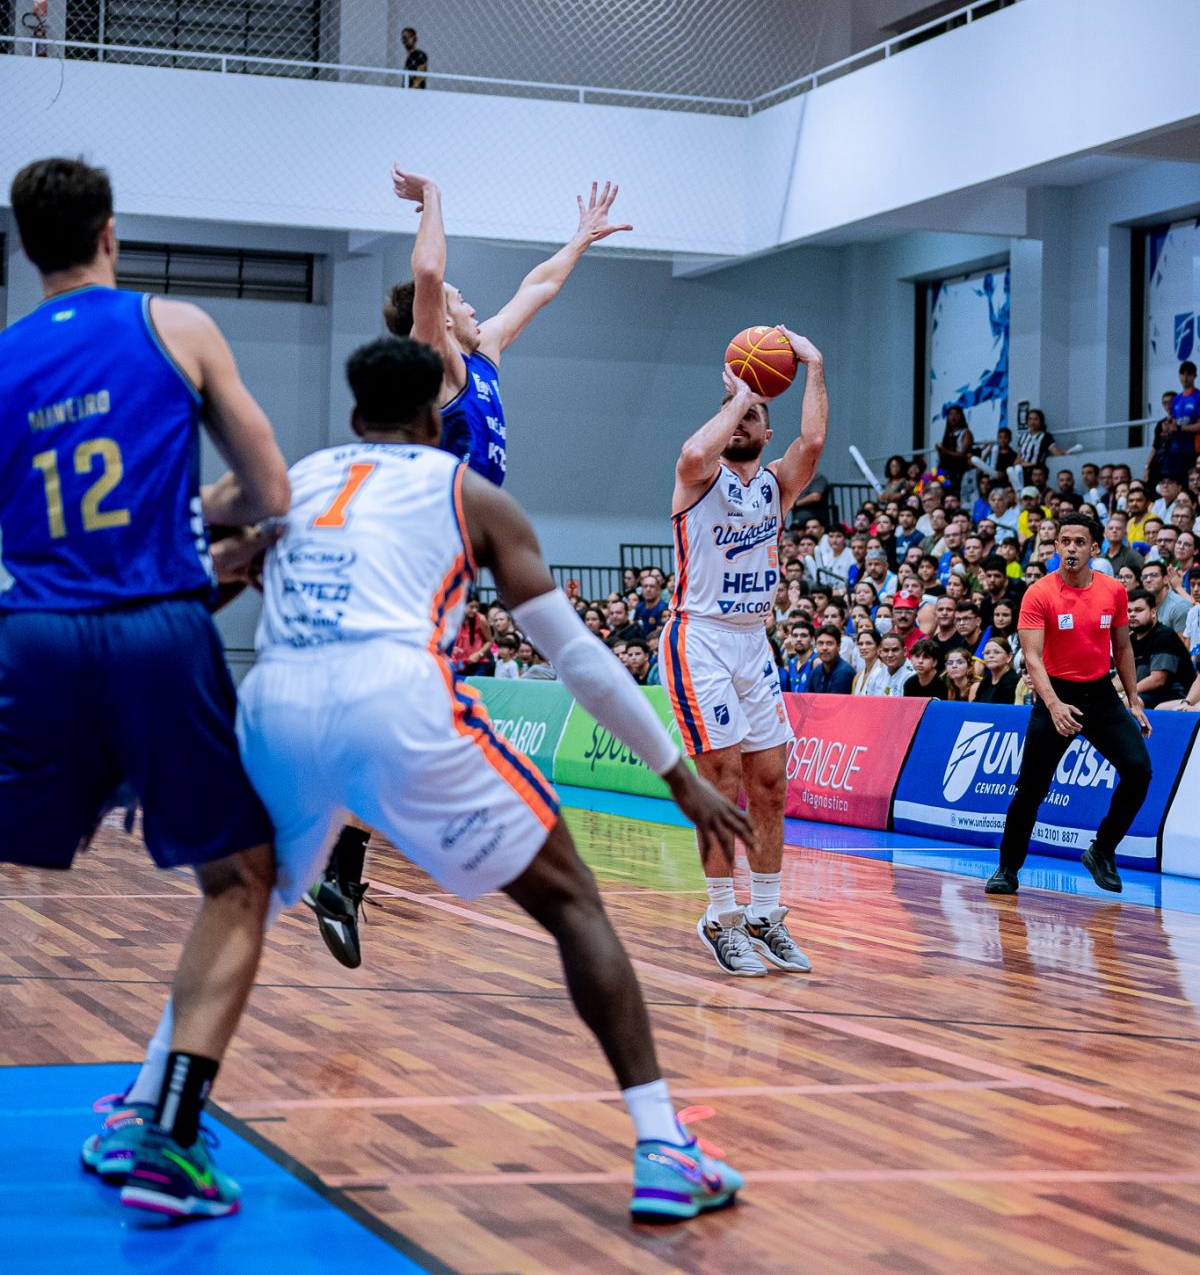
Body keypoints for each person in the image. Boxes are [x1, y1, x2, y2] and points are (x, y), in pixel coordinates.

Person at [245, 336, 755, 1221]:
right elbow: (580, 661)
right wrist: (676, 774)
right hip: (397, 700)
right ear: (434, 420)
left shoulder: (301, 478)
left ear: (355, 412)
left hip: (273, 701)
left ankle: (154, 1110)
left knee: (233, 908)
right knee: (574, 905)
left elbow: (217, 562)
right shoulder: (465, 490)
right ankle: (663, 1147)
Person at [2, 157, 292, 1220]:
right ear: (110, 234)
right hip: (155, 633)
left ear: (26, 248)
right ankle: (167, 1138)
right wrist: (201, 521)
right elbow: (269, 491)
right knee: (239, 879)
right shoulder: (176, 327)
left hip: (32, 635)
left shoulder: (2, 360)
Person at [309, 168, 632, 963]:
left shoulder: (483, 356)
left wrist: (580, 240)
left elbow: (539, 288)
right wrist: (433, 199)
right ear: (437, 320)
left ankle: (339, 864)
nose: (469, 301)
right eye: (460, 298)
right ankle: (330, 849)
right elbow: (426, 273)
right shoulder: (437, 364)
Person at [663, 336, 827, 977]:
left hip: (752, 639)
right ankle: (720, 917)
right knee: (722, 778)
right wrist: (740, 395)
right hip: (699, 635)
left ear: (767, 431)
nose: (742, 421)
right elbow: (692, 451)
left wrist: (814, 366)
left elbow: (813, 442)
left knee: (771, 783)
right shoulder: (699, 477)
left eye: (755, 414)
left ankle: (765, 913)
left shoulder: (777, 485)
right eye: (735, 412)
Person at [985, 514, 1152, 898]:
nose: (1071, 548)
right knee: (1030, 789)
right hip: (1054, 695)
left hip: (1101, 696)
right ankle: (1007, 869)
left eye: (1079, 542)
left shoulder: (1113, 591)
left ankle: (1102, 849)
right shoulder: (1039, 593)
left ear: (1094, 548)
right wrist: (1054, 704)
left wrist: (1134, 700)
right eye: (1065, 541)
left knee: (1139, 770)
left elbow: (1123, 647)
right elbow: (1032, 658)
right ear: (1056, 546)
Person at [1127, 590, 1192, 707]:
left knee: (1128, 703)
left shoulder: (1164, 637)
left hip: (1173, 695)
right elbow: (1121, 677)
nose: (1132, 614)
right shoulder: (1131, 639)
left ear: (1153, 612)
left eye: (1138, 610)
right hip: (1145, 694)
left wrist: (1125, 694)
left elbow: (1157, 680)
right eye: (1129, 611)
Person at [936, 403, 974, 493]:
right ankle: (916, 495)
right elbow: (942, 458)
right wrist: (940, 451)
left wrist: (945, 451)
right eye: (950, 414)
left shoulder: (966, 432)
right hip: (945, 468)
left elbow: (963, 454)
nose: (953, 417)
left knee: (950, 485)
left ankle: (951, 491)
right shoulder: (948, 434)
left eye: (956, 414)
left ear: (961, 416)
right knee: (927, 477)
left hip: (959, 468)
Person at [809, 625, 854, 694]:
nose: (824, 648)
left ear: (838, 646)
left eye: (829, 644)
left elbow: (835, 701)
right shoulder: (816, 671)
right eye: (820, 643)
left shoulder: (844, 672)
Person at [974, 635, 1020, 703]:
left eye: (997, 652)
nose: (991, 656)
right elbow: (976, 703)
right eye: (987, 653)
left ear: (1009, 657)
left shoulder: (1013, 681)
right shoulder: (987, 679)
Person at [852, 628, 887, 695]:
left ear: (878, 647)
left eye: (868, 643)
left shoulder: (885, 672)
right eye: (860, 644)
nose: (863, 647)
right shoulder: (858, 676)